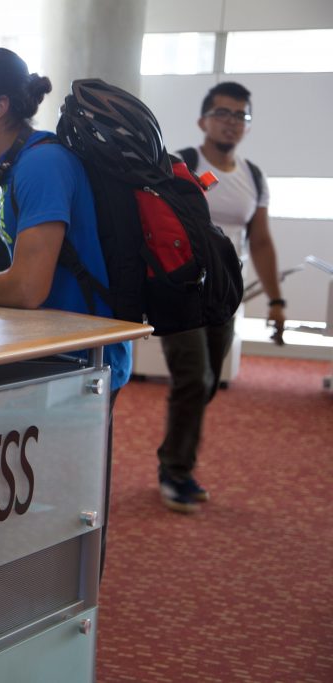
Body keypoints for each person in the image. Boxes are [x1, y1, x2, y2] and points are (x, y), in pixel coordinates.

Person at [0, 47, 131, 574]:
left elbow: (28, 287)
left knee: (60, 518)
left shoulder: (41, 163)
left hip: (79, 364)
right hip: (50, 358)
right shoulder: (8, 163)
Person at [156, 81, 285, 513]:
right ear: (203, 120)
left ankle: (175, 455)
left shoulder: (253, 178)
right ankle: (176, 470)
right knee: (194, 377)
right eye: (223, 113)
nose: (232, 122)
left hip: (223, 293)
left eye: (240, 116)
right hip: (182, 289)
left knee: (205, 384)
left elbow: (262, 243)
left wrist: (276, 300)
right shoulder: (184, 165)